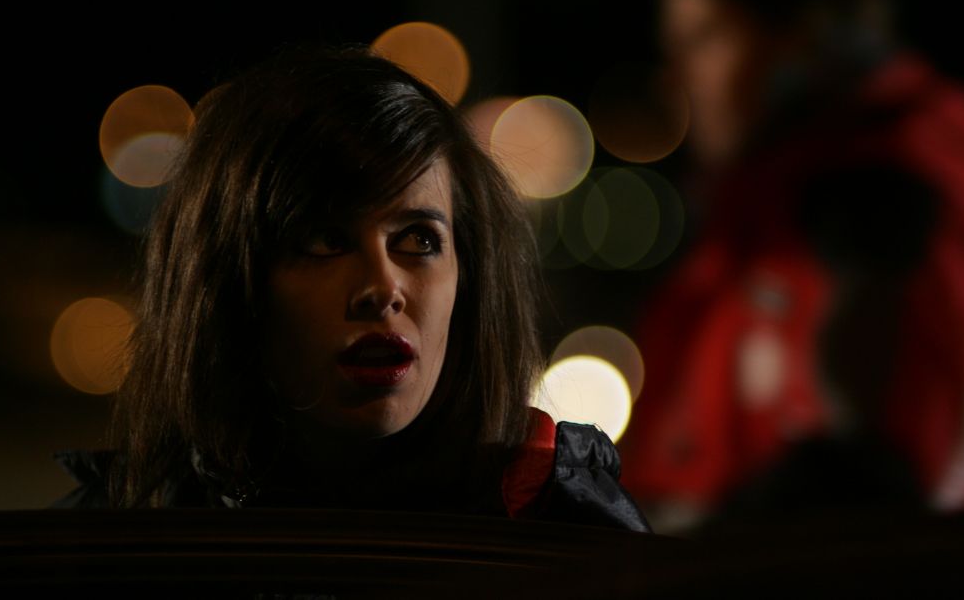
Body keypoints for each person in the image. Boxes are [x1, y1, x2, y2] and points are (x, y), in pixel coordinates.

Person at [55, 45, 649, 532]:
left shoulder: (565, 525)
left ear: (469, 277)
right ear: (229, 282)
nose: (382, 287)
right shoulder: (126, 538)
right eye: (325, 241)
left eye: (418, 240)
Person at [617, 0, 964, 528]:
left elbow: (883, 479)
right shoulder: (764, 208)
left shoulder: (886, 192)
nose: (672, 78)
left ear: (805, 40)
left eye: (704, 38)